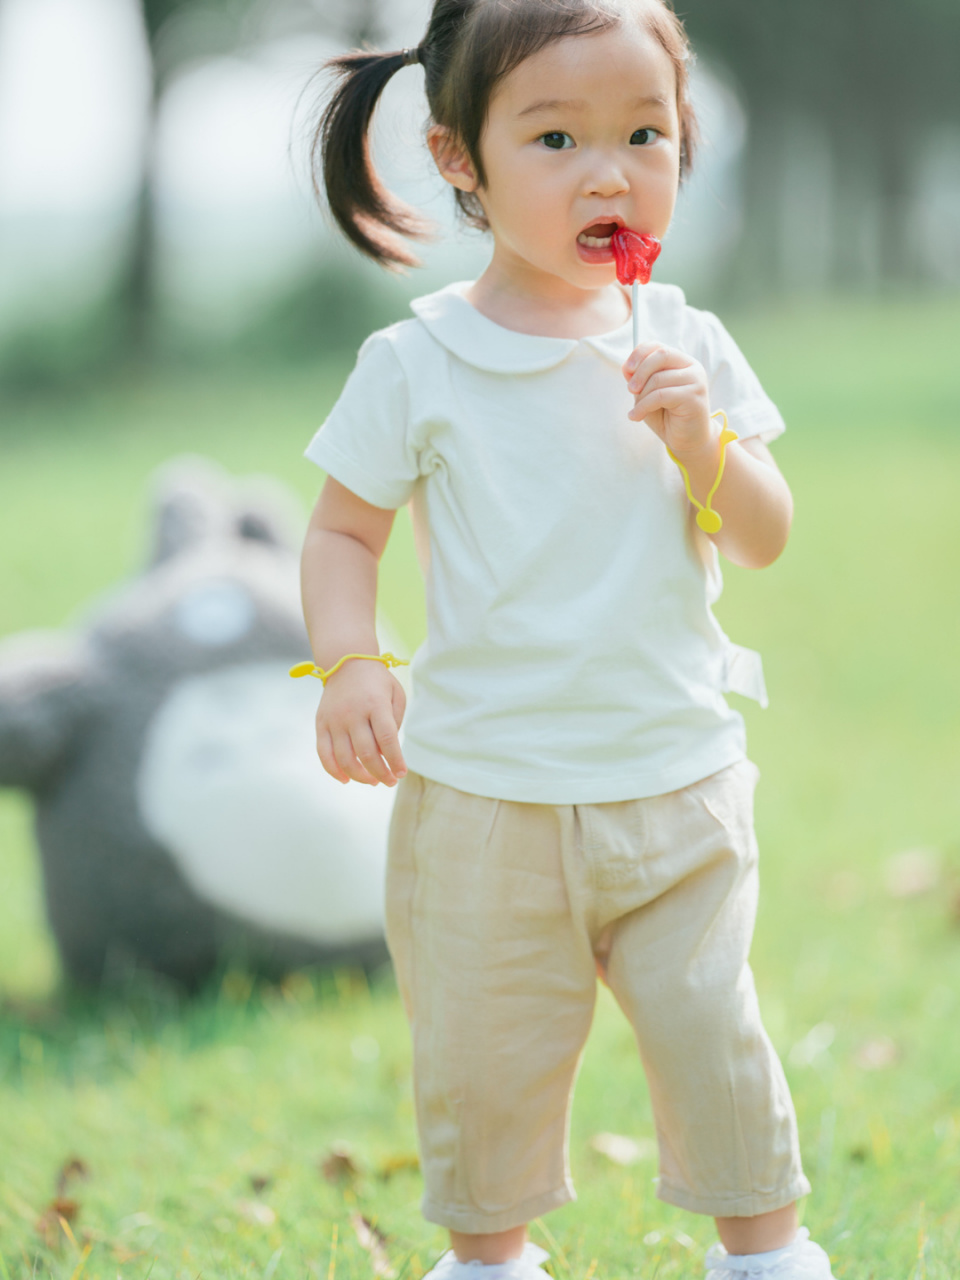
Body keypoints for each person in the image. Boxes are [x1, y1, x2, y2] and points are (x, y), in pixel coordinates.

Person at [298, 2, 835, 1277]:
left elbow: (761, 534)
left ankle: (764, 1250)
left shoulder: (685, 344)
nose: (611, 171)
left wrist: (702, 442)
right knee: (484, 1059)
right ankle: (490, 1259)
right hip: (486, 798)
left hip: (675, 784)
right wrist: (354, 662)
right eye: (555, 138)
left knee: (717, 1036)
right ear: (459, 160)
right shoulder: (418, 362)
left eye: (646, 133)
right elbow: (339, 536)